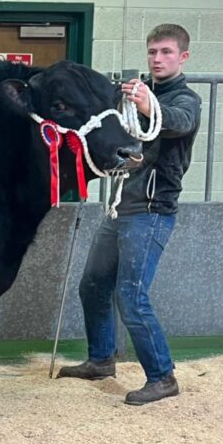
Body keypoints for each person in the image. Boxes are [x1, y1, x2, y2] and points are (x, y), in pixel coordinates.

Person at [57, 24, 202, 406]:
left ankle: (162, 376)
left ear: (182, 56)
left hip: (152, 211)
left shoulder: (186, 99)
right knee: (92, 287)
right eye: (153, 51)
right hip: (121, 207)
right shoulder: (141, 94)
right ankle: (101, 359)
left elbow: (177, 121)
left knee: (132, 296)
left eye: (166, 52)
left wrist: (145, 106)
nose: (157, 58)